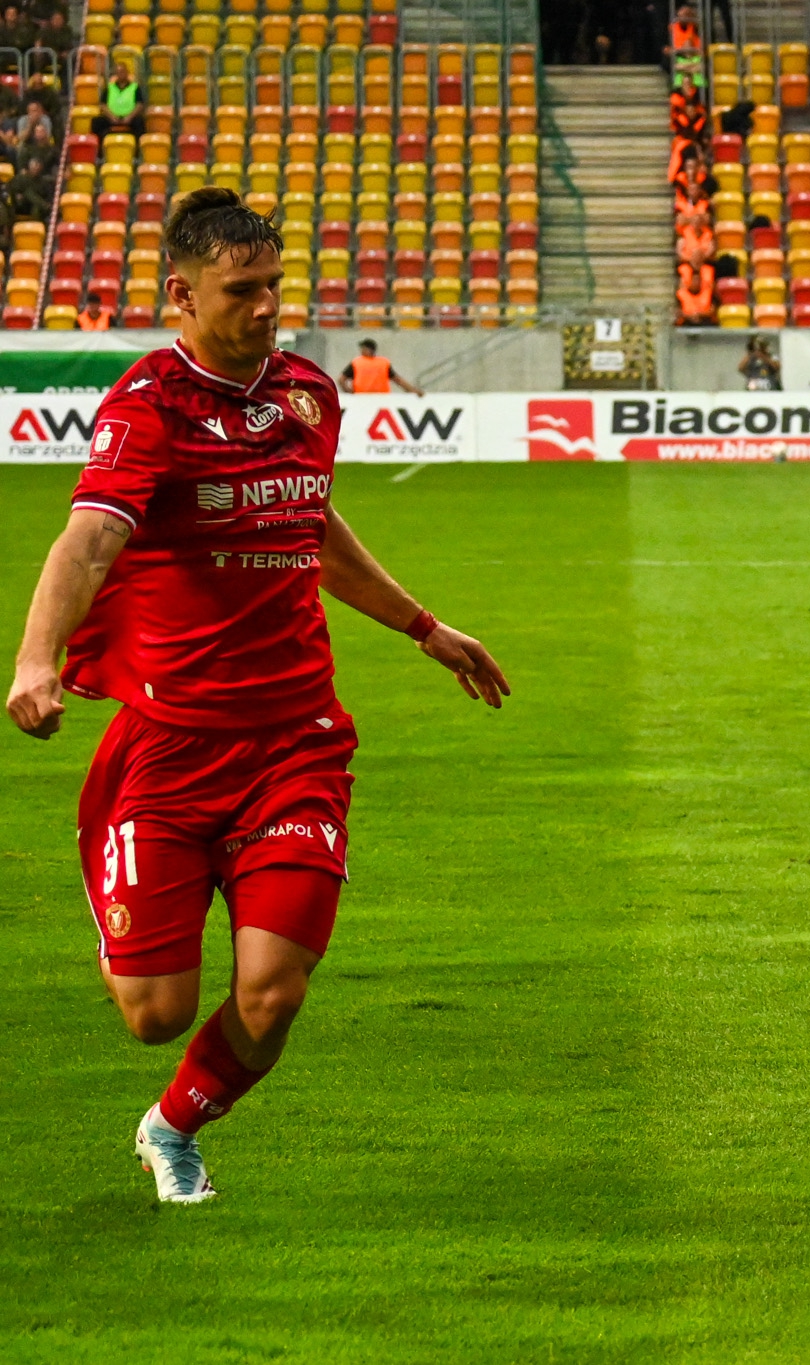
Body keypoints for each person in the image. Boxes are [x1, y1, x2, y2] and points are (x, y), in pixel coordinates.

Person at [3, 187, 510, 1204]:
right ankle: (124, 860)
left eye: (275, 285)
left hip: (296, 739)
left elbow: (311, 523)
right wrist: (35, 659)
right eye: (242, 290)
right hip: (171, 744)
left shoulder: (309, 394)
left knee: (273, 992)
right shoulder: (148, 407)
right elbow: (90, 539)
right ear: (182, 295)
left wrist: (423, 626)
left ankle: (174, 1125)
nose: (268, 306)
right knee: (153, 1011)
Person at [338, 338, 423, 396]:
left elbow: (341, 379)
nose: (361, 350)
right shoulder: (383, 363)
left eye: (363, 348)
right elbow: (398, 380)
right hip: (381, 399)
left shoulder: (356, 362)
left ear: (369, 350)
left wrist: (349, 392)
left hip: (361, 398)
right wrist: (413, 391)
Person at [91, 66, 139, 140]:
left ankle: (137, 146)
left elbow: (139, 105)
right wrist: (112, 117)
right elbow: (103, 105)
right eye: (119, 72)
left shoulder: (135, 87)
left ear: (127, 73)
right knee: (96, 122)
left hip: (129, 118)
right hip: (112, 118)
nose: (121, 74)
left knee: (139, 122)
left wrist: (129, 117)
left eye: (123, 72)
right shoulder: (109, 87)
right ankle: (99, 146)